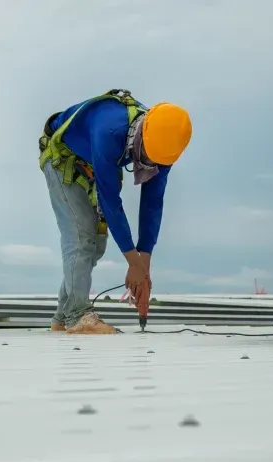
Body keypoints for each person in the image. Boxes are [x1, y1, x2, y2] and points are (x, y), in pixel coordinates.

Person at [39, 89, 192, 334]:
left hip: (94, 161)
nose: (148, 166)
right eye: (146, 158)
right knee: (81, 236)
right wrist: (133, 263)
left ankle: (62, 317)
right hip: (63, 158)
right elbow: (110, 201)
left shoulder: (163, 148)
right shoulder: (109, 131)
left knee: (96, 244)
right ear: (141, 136)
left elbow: (152, 203)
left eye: (156, 163)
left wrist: (144, 264)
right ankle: (78, 316)